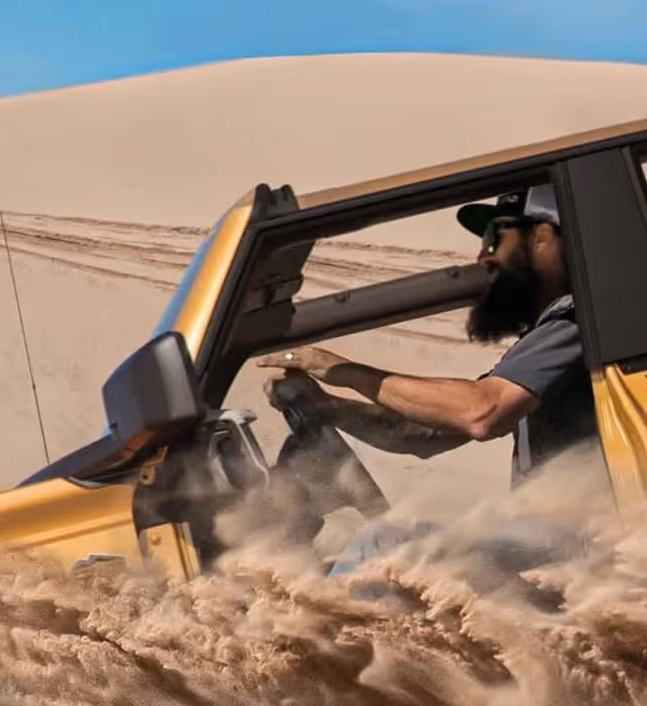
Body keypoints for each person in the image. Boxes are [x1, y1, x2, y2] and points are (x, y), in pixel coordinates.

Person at [253, 183, 597, 487]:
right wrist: (328, 407)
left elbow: (480, 413)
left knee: (380, 543)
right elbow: (425, 434)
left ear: (543, 237)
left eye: (494, 238)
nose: (482, 256)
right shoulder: (549, 340)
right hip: (557, 538)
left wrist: (340, 371)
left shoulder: (576, 324)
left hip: (580, 543)